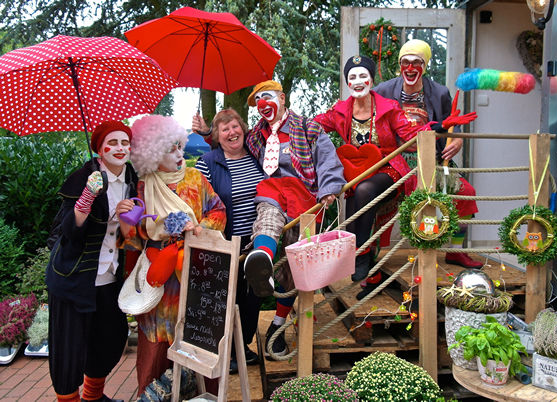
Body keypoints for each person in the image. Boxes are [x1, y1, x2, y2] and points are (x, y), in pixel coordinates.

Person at [314, 55, 476, 298]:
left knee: (365, 192)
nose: (358, 82)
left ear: (371, 79)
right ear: (348, 82)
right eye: (353, 77)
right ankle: (371, 274)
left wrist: (443, 126)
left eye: (363, 76)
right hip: (357, 170)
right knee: (360, 196)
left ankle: (361, 255)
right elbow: (314, 127)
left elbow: (412, 133)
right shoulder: (339, 111)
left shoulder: (388, 108)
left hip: (389, 168)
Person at [243, 80, 346, 358]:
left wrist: (328, 190)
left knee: (295, 268)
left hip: (304, 199)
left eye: (267, 97)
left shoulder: (308, 128)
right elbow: (232, 139)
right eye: (257, 102)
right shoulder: (256, 135)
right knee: (266, 213)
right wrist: (207, 134)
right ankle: (261, 257)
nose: (262, 104)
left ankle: (277, 326)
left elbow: (328, 160)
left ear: (282, 97)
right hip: (273, 193)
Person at [128, 115, 226, 394]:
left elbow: (218, 212)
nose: (179, 155)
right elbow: (137, 234)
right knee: (156, 337)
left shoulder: (195, 178)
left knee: (199, 334)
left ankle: (203, 394)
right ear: (153, 155)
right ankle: (151, 394)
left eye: (180, 147)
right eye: (171, 150)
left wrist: (197, 229)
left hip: (194, 270)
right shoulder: (144, 185)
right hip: (160, 274)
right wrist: (137, 228)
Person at [45, 121, 138, 402]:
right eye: (112, 142)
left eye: (125, 142)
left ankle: (93, 397)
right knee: (69, 348)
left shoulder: (132, 178)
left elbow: (130, 232)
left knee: (111, 337)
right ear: (99, 148)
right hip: (74, 278)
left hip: (109, 277)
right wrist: (86, 198)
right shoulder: (83, 178)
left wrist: (127, 217)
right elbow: (68, 234)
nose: (120, 148)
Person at [373, 39, 483, 269]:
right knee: (378, 198)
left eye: (417, 62)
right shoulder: (382, 91)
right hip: (395, 161)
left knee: (466, 193)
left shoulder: (439, 92)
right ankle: (372, 254)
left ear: (425, 66)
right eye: (405, 62)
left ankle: (454, 251)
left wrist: (456, 142)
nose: (410, 68)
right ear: (399, 65)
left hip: (431, 160)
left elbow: (453, 123)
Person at [192, 108, 266, 372]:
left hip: (258, 238)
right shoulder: (208, 161)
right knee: (228, 296)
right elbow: (201, 201)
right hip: (226, 238)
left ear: (243, 129)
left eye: (235, 127)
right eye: (225, 129)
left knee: (254, 295)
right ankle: (225, 351)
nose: (232, 133)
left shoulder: (259, 156)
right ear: (217, 135)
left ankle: (241, 345)